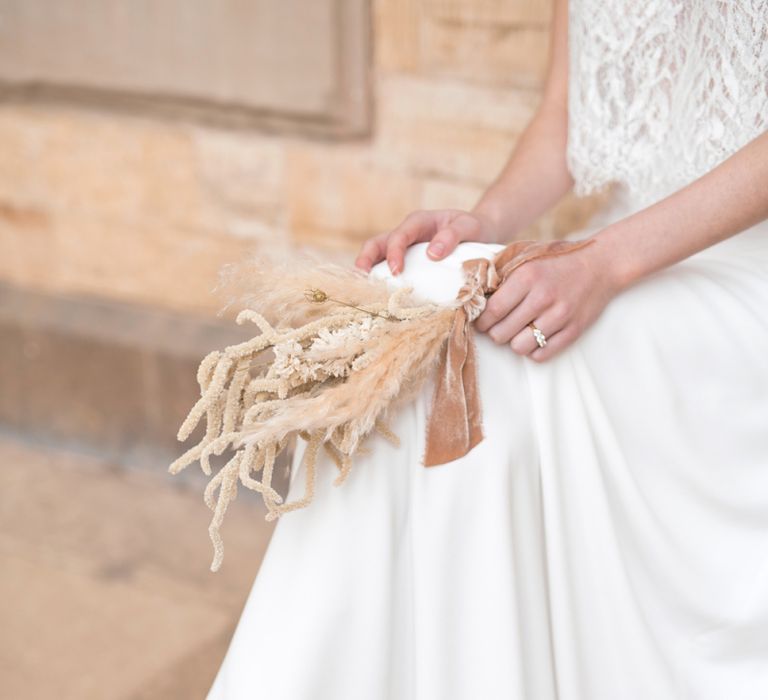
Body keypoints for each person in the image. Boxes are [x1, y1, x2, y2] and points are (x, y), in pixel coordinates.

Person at [206, 1, 768, 698]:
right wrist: (483, 226)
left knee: (487, 371)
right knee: (419, 305)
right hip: (624, 243)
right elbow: (566, 113)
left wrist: (603, 263)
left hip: (742, 271)